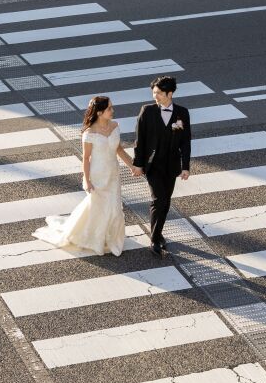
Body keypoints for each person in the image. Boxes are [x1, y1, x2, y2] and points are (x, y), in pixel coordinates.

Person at [34, 95, 132, 256]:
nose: (112, 111)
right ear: (99, 113)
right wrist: (86, 180)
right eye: (109, 108)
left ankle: (112, 238)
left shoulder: (115, 126)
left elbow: (118, 149)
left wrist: (132, 165)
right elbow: (86, 158)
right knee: (98, 208)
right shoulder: (89, 133)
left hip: (113, 173)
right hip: (97, 175)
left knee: (114, 208)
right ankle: (94, 238)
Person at [131, 75, 192, 257]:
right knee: (158, 200)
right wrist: (138, 164)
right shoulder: (147, 111)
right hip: (152, 165)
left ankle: (158, 233)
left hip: (171, 165)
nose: (154, 96)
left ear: (169, 93)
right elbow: (139, 140)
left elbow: (185, 142)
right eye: (154, 93)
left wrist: (185, 166)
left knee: (166, 202)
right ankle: (155, 239)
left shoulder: (182, 113)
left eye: (158, 93)